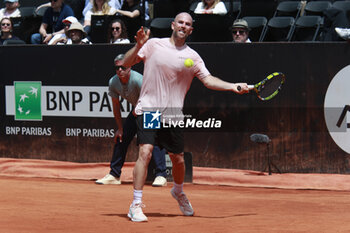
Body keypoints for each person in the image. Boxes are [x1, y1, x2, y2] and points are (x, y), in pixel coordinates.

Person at [118, 12, 249, 222]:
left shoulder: (193, 56)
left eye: (187, 24)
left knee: (177, 160)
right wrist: (138, 45)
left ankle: (178, 191)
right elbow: (125, 63)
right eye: (180, 22)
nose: (183, 26)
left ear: (191, 30)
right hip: (150, 109)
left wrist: (233, 86)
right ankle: (135, 204)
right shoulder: (153, 45)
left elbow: (209, 80)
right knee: (146, 152)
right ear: (172, 25)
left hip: (172, 113)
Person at [95, 53, 167, 187]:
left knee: (153, 140)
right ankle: (114, 175)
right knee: (121, 138)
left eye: (123, 67)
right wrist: (120, 129)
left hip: (153, 108)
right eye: (117, 68)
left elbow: (152, 97)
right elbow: (116, 107)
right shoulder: (113, 82)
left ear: (130, 67)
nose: (120, 70)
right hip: (137, 110)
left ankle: (161, 175)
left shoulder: (138, 80)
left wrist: (138, 110)